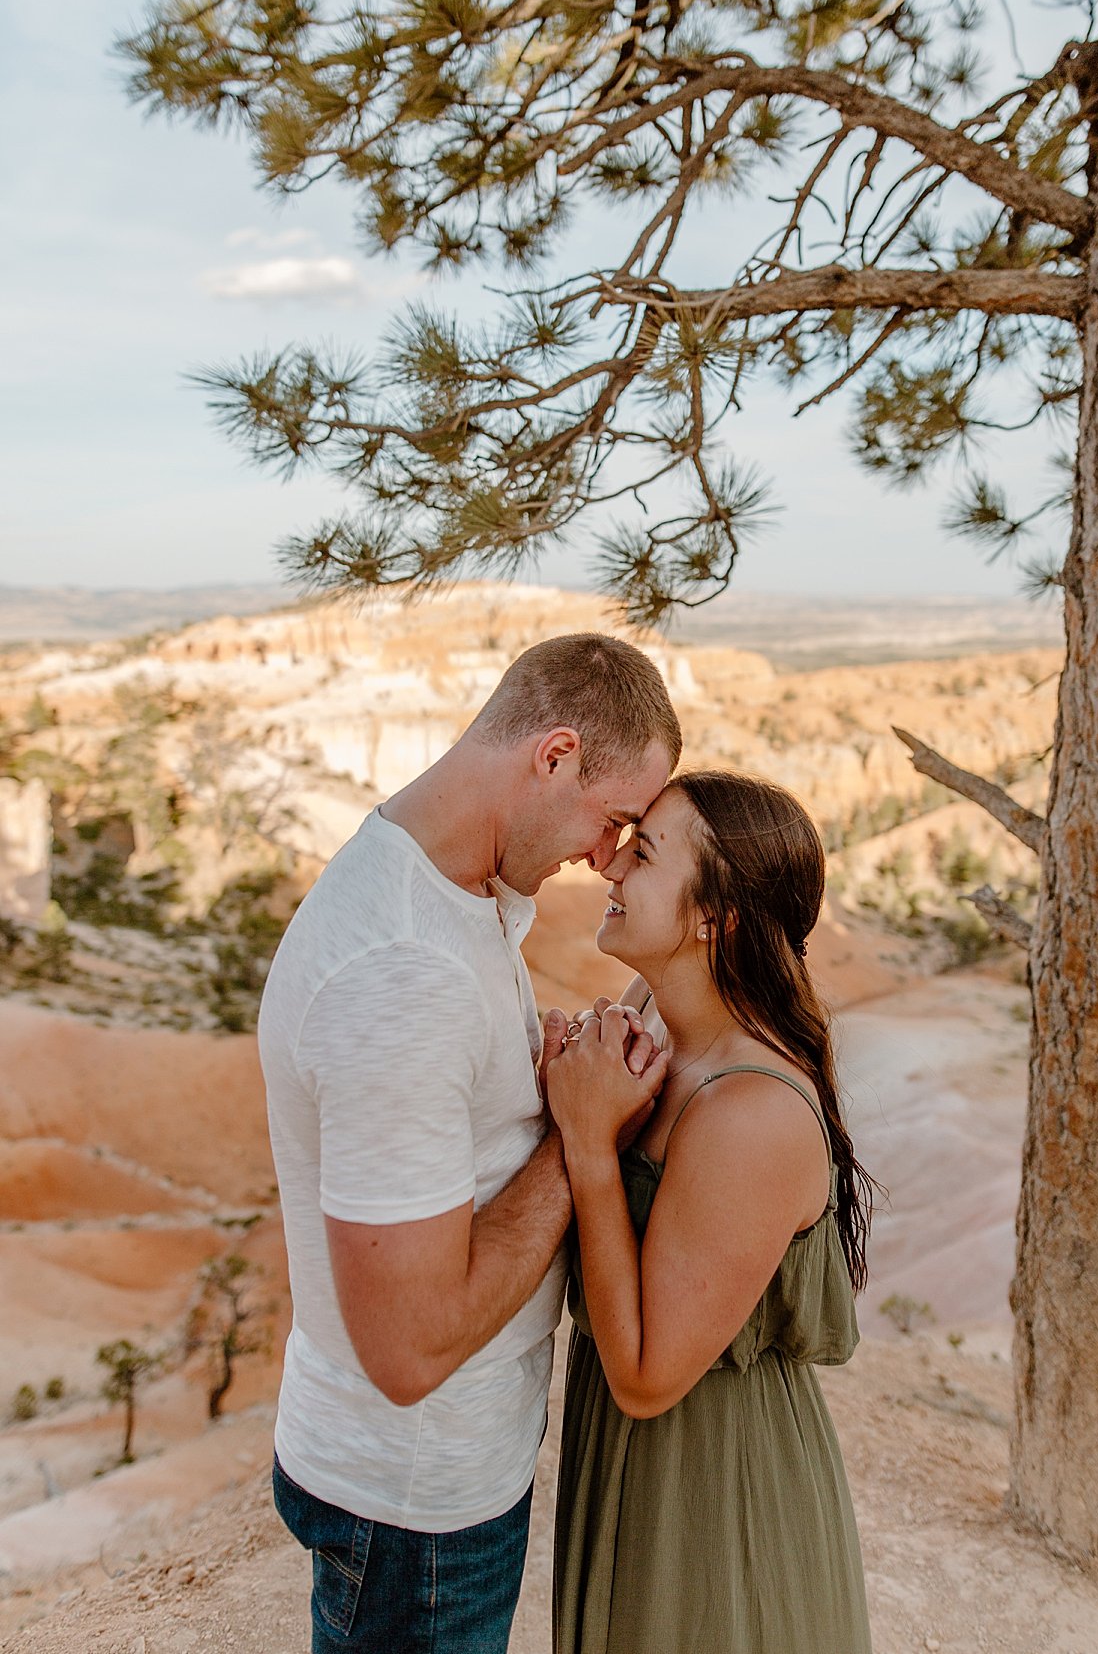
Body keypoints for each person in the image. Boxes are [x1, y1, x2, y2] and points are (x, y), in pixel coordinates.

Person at [257, 632, 681, 1654]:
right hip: (415, 1503)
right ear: (554, 755)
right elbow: (409, 1350)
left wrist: (526, 1084)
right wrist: (573, 1136)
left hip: (426, 1480)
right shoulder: (403, 970)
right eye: (612, 816)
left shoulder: (462, 891)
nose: (604, 854)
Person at [545, 768, 874, 1654]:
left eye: (642, 854)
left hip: (717, 1494)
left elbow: (649, 1376)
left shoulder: (751, 1112)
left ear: (712, 917)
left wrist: (587, 1142)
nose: (608, 868)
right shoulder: (654, 1011)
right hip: (641, 1466)